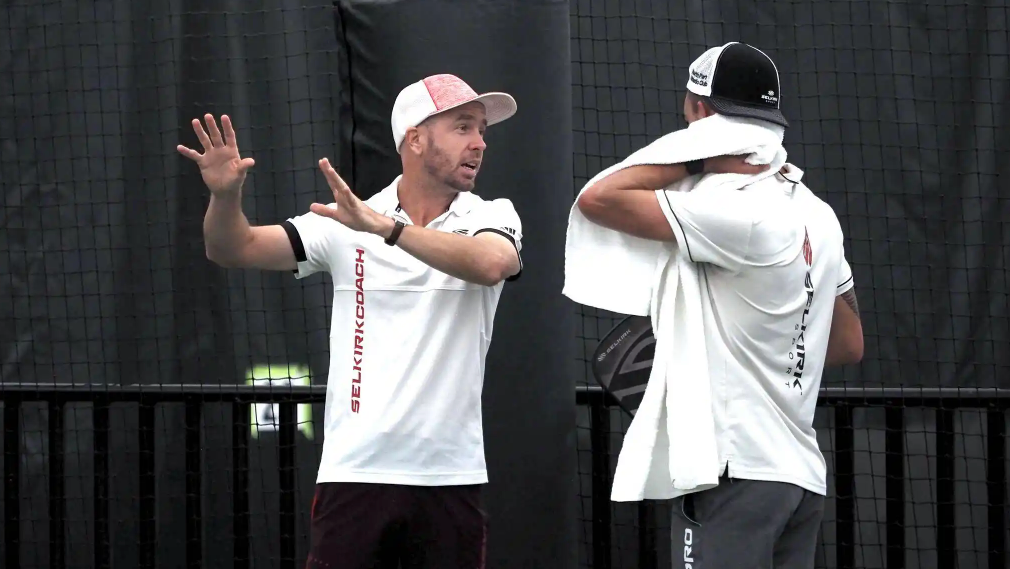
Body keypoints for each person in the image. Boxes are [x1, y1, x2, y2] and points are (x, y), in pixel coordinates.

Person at [177, 74, 523, 569]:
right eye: (462, 127)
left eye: (482, 130)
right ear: (416, 138)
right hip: (354, 474)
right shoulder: (345, 222)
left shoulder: (492, 215)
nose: (479, 143)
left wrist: (386, 228)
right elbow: (232, 248)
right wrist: (224, 196)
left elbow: (492, 264)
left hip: (450, 477)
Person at [576, 42, 864, 569]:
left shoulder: (730, 208)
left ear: (702, 115)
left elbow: (599, 199)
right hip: (799, 480)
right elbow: (847, 342)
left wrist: (691, 157)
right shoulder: (818, 213)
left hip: (734, 474)